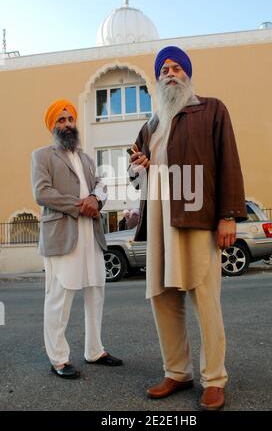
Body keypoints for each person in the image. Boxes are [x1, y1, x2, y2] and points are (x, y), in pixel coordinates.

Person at [129, 46, 247, 410]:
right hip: (160, 221)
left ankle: (214, 377)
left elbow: (228, 160)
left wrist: (228, 214)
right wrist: (141, 168)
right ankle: (177, 372)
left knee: (206, 300)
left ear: (187, 75)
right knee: (163, 300)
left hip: (197, 218)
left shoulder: (210, 109)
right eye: (164, 68)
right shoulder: (150, 125)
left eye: (177, 67)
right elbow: (132, 176)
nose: (170, 72)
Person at [31, 99, 122, 379]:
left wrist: (96, 198)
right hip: (62, 235)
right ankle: (58, 358)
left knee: (96, 292)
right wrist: (81, 204)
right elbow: (42, 193)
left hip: (90, 234)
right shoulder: (43, 155)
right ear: (52, 125)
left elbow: (100, 186)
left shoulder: (85, 158)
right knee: (60, 297)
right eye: (61, 120)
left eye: (70, 119)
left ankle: (94, 350)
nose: (68, 124)